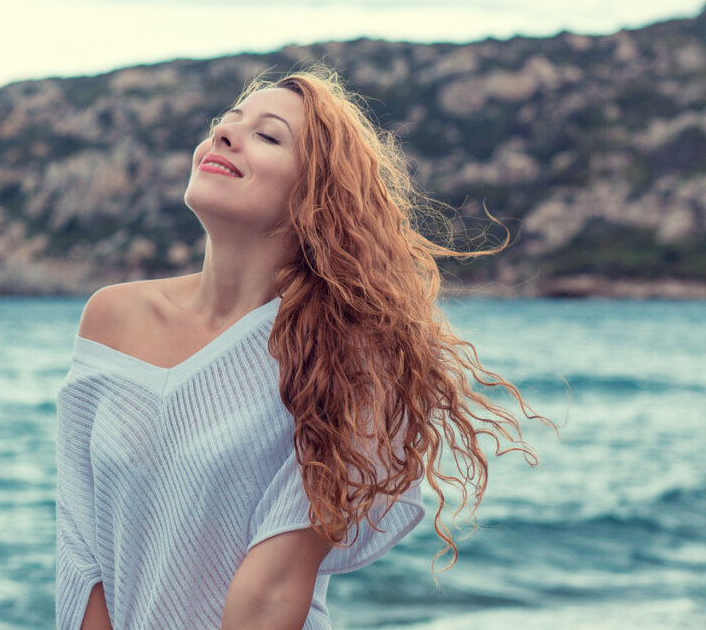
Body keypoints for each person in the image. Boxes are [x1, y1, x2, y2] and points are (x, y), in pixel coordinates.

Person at [55, 66, 545, 629]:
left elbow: (270, 593)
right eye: (225, 122)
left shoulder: (347, 359)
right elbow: (81, 548)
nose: (224, 135)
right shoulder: (111, 318)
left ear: (315, 196)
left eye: (268, 136)